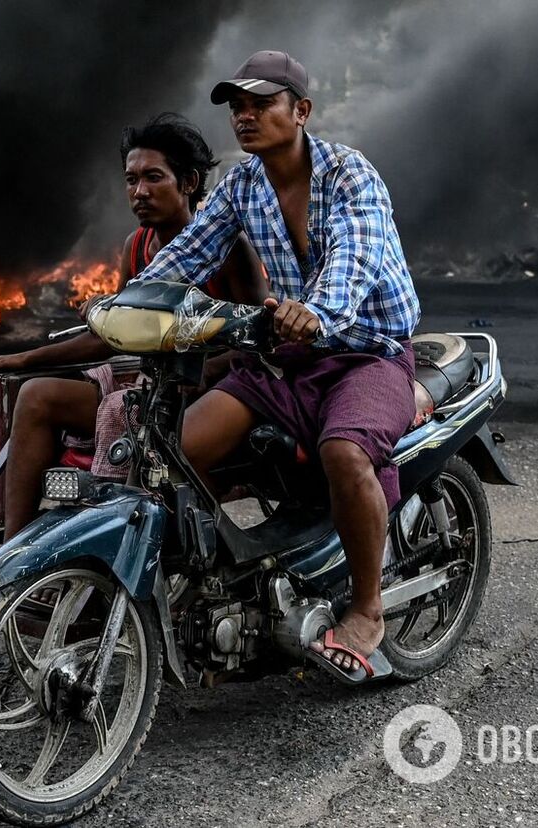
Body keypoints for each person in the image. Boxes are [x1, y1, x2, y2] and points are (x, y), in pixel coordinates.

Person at [135, 50, 421, 684]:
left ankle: (367, 609)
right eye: (237, 107)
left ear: (301, 111)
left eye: (261, 104)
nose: (246, 116)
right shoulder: (242, 185)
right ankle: (216, 580)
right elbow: (186, 254)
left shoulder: (349, 174)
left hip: (367, 352)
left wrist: (315, 312)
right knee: (178, 448)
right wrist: (128, 302)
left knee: (345, 451)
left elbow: (354, 257)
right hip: (289, 354)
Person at [0, 114, 266, 592]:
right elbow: (113, 335)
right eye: (131, 179)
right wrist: (24, 359)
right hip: (150, 384)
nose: (139, 191)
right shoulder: (137, 246)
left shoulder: (230, 249)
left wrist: (202, 371)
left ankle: (106, 569)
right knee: (36, 396)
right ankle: (11, 562)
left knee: (122, 410)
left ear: (189, 183)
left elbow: (257, 340)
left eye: (153, 177)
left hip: (208, 396)